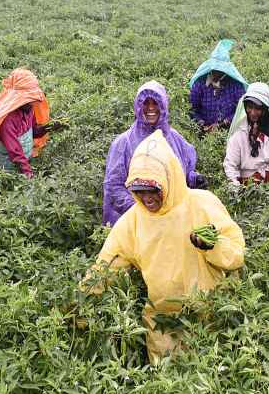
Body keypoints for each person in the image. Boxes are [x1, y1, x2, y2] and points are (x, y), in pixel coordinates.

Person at [85, 130, 245, 364]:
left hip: (210, 313)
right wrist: (80, 303)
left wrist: (212, 247)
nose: (147, 198)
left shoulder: (201, 204)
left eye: (153, 190)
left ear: (169, 179)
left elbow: (236, 254)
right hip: (164, 320)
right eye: (139, 191)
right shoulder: (133, 220)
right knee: (169, 385)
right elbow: (106, 266)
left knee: (211, 378)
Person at [102, 80, 206, 226]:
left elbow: (183, 171)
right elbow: (114, 187)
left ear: (163, 106)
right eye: (146, 103)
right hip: (136, 222)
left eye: (155, 103)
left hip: (172, 218)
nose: (151, 108)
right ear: (138, 106)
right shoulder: (124, 143)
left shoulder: (174, 138)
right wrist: (142, 210)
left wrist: (194, 178)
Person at [0, 68, 63, 179]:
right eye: (28, 100)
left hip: (22, 164)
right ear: (17, 99)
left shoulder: (28, 109)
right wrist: (29, 174)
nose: (31, 103)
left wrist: (49, 127)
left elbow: (33, 132)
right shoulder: (7, 119)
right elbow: (15, 153)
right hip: (5, 169)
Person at [188, 39, 248, 133]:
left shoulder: (235, 85)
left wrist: (222, 124)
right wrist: (201, 124)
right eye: (214, 69)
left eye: (220, 70)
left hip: (230, 130)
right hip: (202, 131)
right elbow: (192, 108)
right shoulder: (200, 83)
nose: (216, 73)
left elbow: (242, 108)